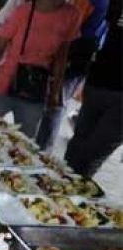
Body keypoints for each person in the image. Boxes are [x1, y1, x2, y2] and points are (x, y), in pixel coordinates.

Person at [0, 0, 79, 138]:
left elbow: (62, 57)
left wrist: (55, 92)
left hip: (36, 88)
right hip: (4, 82)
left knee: (23, 141)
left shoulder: (71, 15)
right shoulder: (23, 11)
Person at [35, 0, 110, 150]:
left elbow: (77, 28)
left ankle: (41, 153)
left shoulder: (96, 2)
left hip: (73, 55)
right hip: (73, 52)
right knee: (51, 103)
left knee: (55, 105)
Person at [64, 0, 121, 177]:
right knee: (75, 147)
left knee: (92, 154)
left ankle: (70, 198)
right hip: (98, 82)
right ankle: (55, 193)